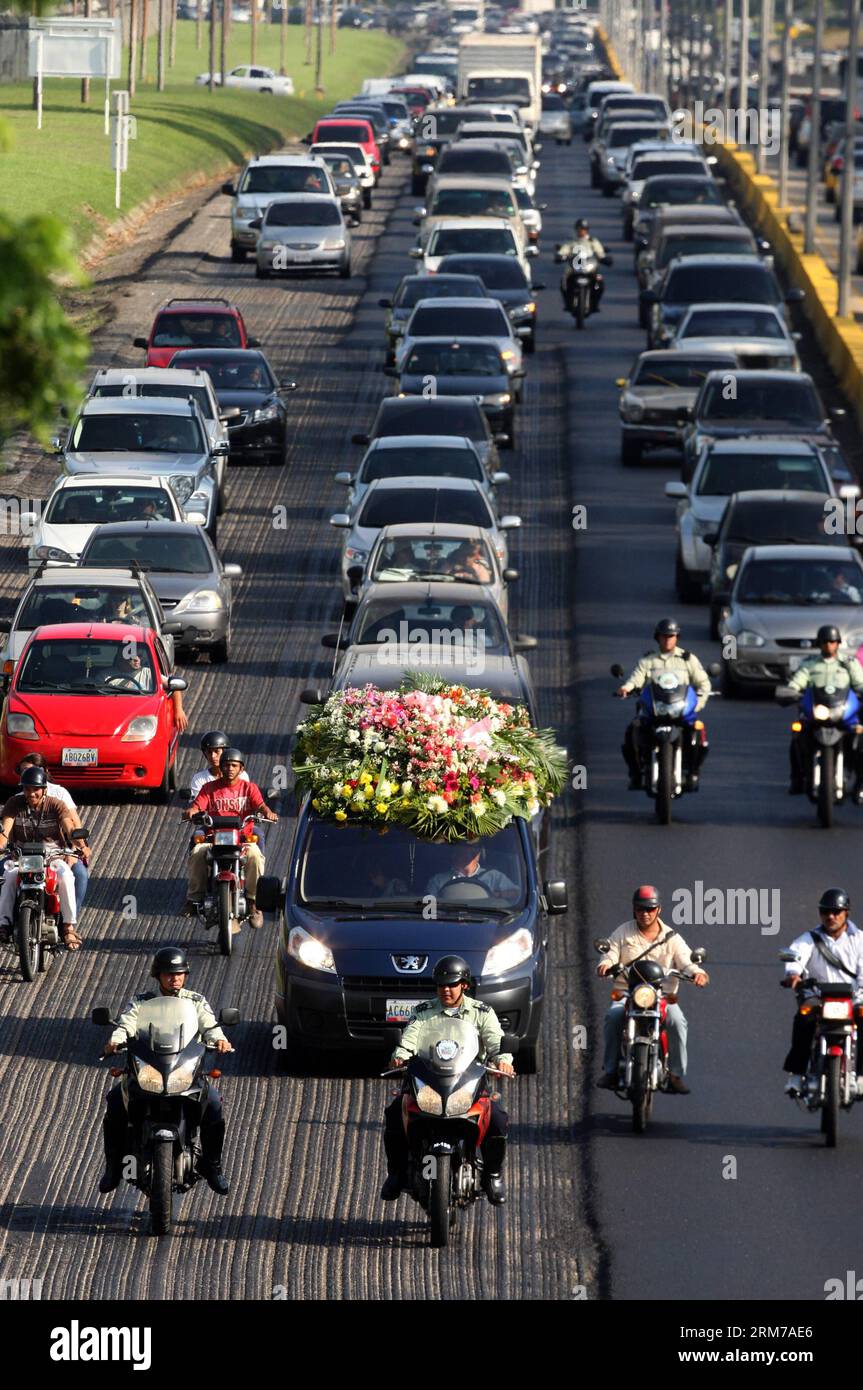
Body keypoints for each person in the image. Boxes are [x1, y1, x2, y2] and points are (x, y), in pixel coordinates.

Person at [99, 945, 234, 1195]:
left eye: (180, 973)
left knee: (214, 1105)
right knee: (115, 1102)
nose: (175, 978)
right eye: (169, 973)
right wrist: (115, 1041)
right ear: (157, 975)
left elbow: (210, 1026)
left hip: (184, 1070)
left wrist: (220, 1040)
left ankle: (213, 1167)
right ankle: (113, 1167)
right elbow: (126, 1024)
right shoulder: (141, 1002)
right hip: (149, 1069)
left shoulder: (195, 1001)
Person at [380, 955, 514, 1205]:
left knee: (497, 1118)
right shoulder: (423, 1013)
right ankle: (396, 1174)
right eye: (441, 985)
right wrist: (399, 1056)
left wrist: (502, 1060)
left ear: (464, 984)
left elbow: (496, 1041)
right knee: (394, 1115)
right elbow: (409, 1039)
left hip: (467, 1084)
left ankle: (492, 1175)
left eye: (452, 984)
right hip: (428, 1082)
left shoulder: (482, 1013)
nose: (446, 990)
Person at [596, 886, 709, 1094]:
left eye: (650, 909)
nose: (645, 913)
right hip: (627, 993)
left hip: (662, 996)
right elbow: (610, 953)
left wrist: (697, 973)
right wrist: (605, 964)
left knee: (677, 1022)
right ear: (633, 909)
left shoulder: (672, 937)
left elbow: (686, 960)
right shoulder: (623, 932)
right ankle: (611, 1070)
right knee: (613, 1016)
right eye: (640, 909)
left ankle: (675, 1074)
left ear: (659, 910)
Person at [182, 748, 278, 927]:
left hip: (242, 840)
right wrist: (191, 812)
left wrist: (268, 812)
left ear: (241, 769)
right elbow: (197, 806)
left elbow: (260, 806)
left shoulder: (249, 788)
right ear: (221, 768)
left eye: (234, 765)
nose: (230, 769)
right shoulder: (208, 788)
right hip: (214, 838)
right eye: (226, 765)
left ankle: (253, 902)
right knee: (197, 853)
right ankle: (193, 900)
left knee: (256, 856)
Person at [781, 887, 863, 1096]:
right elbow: (796, 955)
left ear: (846, 913)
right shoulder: (809, 938)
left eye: (836, 911)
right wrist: (794, 975)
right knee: (803, 1019)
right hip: (818, 997)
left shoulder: (860, 940)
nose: (831, 916)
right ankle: (796, 1075)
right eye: (825, 911)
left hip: (853, 998)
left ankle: (861, 1076)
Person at [616, 617, 712, 791]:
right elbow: (635, 679)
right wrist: (625, 688)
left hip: (680, 712)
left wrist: (695, 706)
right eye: (664, 636)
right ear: (657, 637)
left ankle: (693, 772)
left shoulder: (687, 659)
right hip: (654, 711)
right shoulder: (648, 660)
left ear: (677, 638)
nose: (668, 639)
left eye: (671, 636)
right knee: (632, 731)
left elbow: (704, 684)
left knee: (699, 732)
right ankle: (636, 773)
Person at [0, 766, 88, 950]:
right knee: (8, 877)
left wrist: (81, 846)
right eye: (27, 789)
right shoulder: (13, 804)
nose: (31, 793)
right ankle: (4, 925)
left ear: (44, 789)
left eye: (35, 789)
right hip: (21, 855)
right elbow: (5, 831)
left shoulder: (56, 805)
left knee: (66, 876)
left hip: (52, 855)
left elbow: (69, 828)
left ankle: (68, 927)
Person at [785, 624, 863, 802]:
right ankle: (797, 779)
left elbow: (859, 684)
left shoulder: (849, 664)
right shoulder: (810, 665)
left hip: (843, 714)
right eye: (825, 642)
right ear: (819, 644)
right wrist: (790, 691)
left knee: (860, 742)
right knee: (797, 736)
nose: (829, 645)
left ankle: (860, 783)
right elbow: (797, 683)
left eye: (833, 641)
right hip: (817, 714)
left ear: (838, 643)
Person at [14, 754, 90, 919]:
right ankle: (6, 921)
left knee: (79, 874)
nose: (30, 775)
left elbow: (73, 824)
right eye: (25, 772)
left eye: (34, 770)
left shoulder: (59, 795)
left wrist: (76, 849)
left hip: (57, 851)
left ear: (44, 772)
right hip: (25, 853)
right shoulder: (18, 798)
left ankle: (68, 923)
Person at [426, 838, 519, 901]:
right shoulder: (438, 880)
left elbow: (517, 894)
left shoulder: (494, 876)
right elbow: (428, 908)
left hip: (485, 921)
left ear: (477, 854)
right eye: (456, 850)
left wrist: (498, 895)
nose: (458, 855)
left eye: (464, 850)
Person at [559, 217, 607, 314]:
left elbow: (600, 252)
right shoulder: (572, 242)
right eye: (579, 229)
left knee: (600, 282)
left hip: (589, 268)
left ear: (587, 230)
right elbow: (563, 250)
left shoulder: (592, 241)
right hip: (574, 269)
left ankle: (595, 303)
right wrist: (560, 256)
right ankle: (568, 302)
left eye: (583, 229)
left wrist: (603, 258)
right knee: (563, 281)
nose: (581, 231)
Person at [187, 730, 250, 802]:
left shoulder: (242, 776)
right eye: (209, 752)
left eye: (217, 752)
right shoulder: (199, 779)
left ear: (225, 752)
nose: (213, 756)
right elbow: (198, 805)